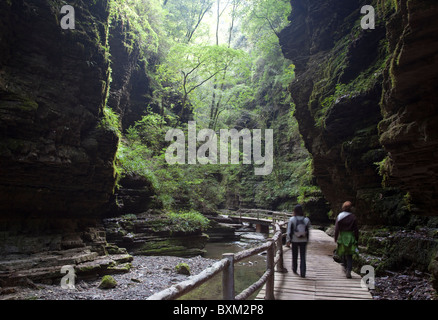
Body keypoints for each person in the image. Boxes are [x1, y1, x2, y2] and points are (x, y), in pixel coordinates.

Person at [334, 201, 359, 279]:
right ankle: (349, 270)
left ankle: (344, 266)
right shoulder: (353, 217)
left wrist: (335, 237)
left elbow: (337, 228)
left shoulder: (340, 216)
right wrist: (356, 238)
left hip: (342, 236)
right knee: (349, 255)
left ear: (343, 207)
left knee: (342, 252)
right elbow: (356, 229)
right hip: (350, 236)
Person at [286, 205, 311, 278]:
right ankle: (303, 272)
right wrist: (307, 239)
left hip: (294, 240)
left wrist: (288, 240)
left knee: (294, 255)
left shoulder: (292, 219)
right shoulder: (306, 219)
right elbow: (308, 230)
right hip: (304, 240)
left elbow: (289, 231)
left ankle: (294, 269)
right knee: (303, 256)